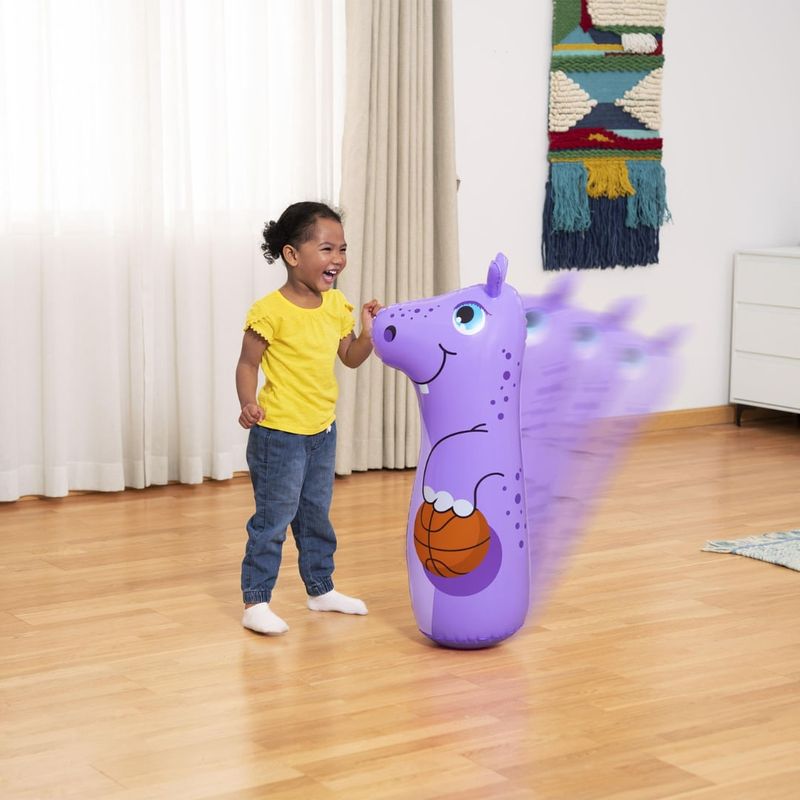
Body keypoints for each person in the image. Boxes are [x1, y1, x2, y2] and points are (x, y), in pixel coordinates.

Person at [236, 201, 382, 635]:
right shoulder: (269, 311)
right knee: (273, 520)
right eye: (326, 248)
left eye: (342, 249)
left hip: (321, 431)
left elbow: (350, 357)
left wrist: (370, 333)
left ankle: (321, 590)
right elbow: (247, 364)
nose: (337, 258)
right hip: (279, 435)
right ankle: (256, 601)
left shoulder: (336, 306)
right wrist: (247, 402)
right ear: (292, 255)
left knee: (316, 515)